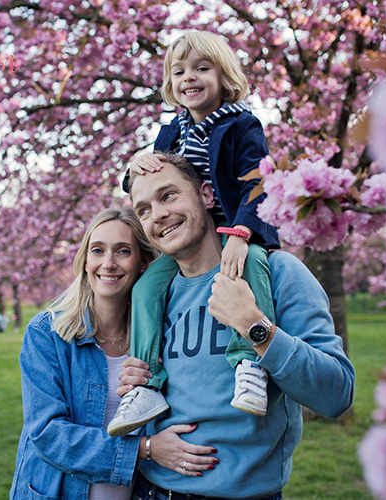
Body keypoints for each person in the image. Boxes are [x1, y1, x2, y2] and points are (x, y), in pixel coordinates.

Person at [120, 155, 355, 499]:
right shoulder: (152, 296)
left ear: (206, 195)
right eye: (143, 210)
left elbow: (337, 394)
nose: (158, 215)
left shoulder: (279, 273)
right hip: (151, 490)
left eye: (168, 195)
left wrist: (255, 327)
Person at [109, 30, 281, 437]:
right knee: (146, 288)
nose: (190, 77)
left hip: (235, 226)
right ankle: (149, 384)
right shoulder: (171, 132)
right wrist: (137, 163)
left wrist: (240, 234)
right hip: (189, 234)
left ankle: (249, 363)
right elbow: (139, 181)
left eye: (202, 68)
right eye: (179, 70)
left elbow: (257, 181)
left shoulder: (242, 124)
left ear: (224, 76)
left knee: (250, 266)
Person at [9, 207, 218, 500]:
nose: (108, 263)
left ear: (144, 263)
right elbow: (47, 434)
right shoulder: (48, 333)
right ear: (84, 261)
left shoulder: (158, 338)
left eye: (122, 251)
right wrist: (146, 449)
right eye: (97, 250)